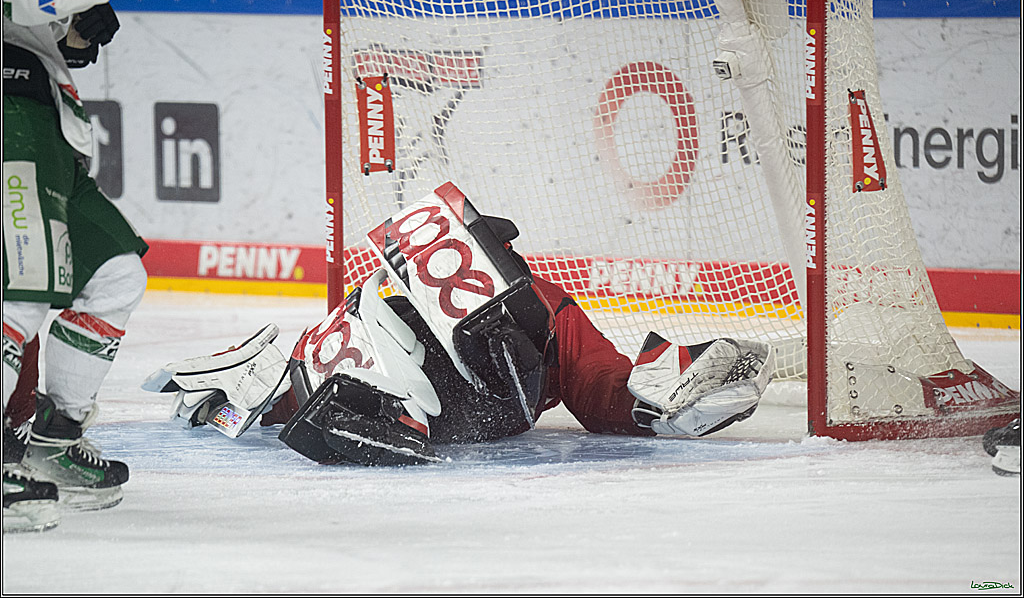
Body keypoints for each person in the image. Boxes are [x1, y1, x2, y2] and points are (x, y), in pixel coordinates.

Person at [141, 186, 776, 467]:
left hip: (503, 371)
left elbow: (601, 387)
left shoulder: (553, 320)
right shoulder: (357, 338)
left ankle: (682, 384)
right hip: (461, 385)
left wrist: (661, 403)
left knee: (617, 395)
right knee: (613, 400)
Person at [3, 0, 191, 534]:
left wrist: (69, 26)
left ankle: (52, 443)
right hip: (10, 124)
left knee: (113, 273)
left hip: (41, 123)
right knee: (21, 291)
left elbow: (27, 8)